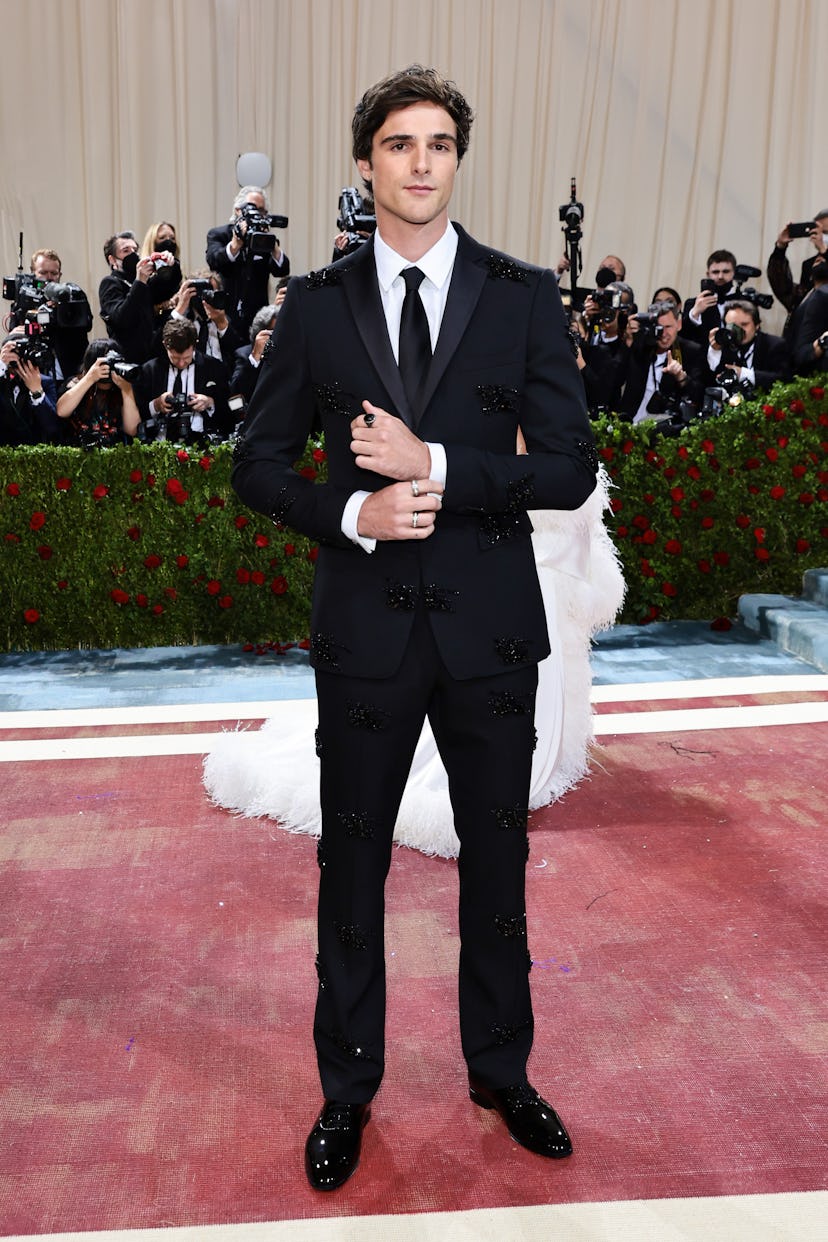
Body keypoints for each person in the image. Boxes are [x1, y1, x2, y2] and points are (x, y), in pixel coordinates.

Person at [230, 64, 598, 1191]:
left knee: (499, 868)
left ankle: (501, 1071)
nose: (422, 161)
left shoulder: (526, 293)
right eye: (400, 143)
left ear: (458, 159)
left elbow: (572, 469)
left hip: (489, 633)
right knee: (352, 872)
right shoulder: (318, 303)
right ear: (367, 164)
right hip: (368, 633)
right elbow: (256, 468)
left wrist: (439, 467)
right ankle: (348, 1092)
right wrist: (352, 510)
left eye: (440, 142)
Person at [205, 186, 290, 338]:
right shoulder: (219, 234)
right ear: (238, 210)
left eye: (261, 210)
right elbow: (214, 261)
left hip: (256, 317)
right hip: (225, 314)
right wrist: (235, 245)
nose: (257, 214)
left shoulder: (264, 237)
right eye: (252, 208)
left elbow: (282, 270)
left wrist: (273, 247)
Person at [136, 317, 230, 443]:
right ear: (165, 345)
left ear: (195, 344)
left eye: (186, 357)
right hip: (159, 446)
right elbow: (137, 413)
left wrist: (209, 402)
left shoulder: (214, 367)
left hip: (204, 446)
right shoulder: (150, 370)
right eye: (175, 358)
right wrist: (156, 405)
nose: (181, 363)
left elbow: (229, 410)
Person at [620, 300, 707, 423]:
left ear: (679, 325)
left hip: (666, 427)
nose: (663, 333)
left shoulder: (691, 351)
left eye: (668, 327)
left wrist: (681, 377)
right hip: (629, 421)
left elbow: (699, 395)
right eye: (659, 327)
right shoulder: (640, 346)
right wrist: (627, 341)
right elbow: (616, 377)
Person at [55, 338, 141, 446]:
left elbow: (132, 429)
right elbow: (61, 411)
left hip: (114, 454)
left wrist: (126, 390)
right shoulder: (77, 383)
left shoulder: (122, 388)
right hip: (77, 452)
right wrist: (89, 378)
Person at [705, 299, 790, 393]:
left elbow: (783, 379)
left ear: (757, 325)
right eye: (732, 326)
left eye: (744, 324)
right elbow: (708, 379)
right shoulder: (724, 345)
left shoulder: (774, 345)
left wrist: (743, 374)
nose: (738, 330)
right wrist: (714, 351)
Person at [98, 232, 157, 363]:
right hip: (126, 359)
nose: (133, 254)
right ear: (112, 259)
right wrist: (140, 281)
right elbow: (122, 318)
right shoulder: (110, 282)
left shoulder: (146, 281)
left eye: (135, 250)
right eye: (126, 251)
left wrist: (169, 263)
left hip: (151, 357)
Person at [0, 333, 61, 445]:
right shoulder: (2, 379)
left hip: (33, 452)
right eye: (14, 352)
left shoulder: (45, 382)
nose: (19, 358)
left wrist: (36, 391)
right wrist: (1, 365)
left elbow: (52, 427)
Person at [766, 210, 828, 318]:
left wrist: (824, 250)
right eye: (817, 232)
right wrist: (780, 248)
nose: (821, 237)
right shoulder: (810, 265)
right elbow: (789, 295)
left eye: (826, 233)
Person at [680, 249, 738, 345]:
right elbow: (684, 338)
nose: (720, 276)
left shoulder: (745, 301)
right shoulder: (692, 304)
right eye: (715, 272)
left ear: (734, 273)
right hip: (703, 358)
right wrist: (695, 313)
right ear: (708, 274)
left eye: (726, 271)